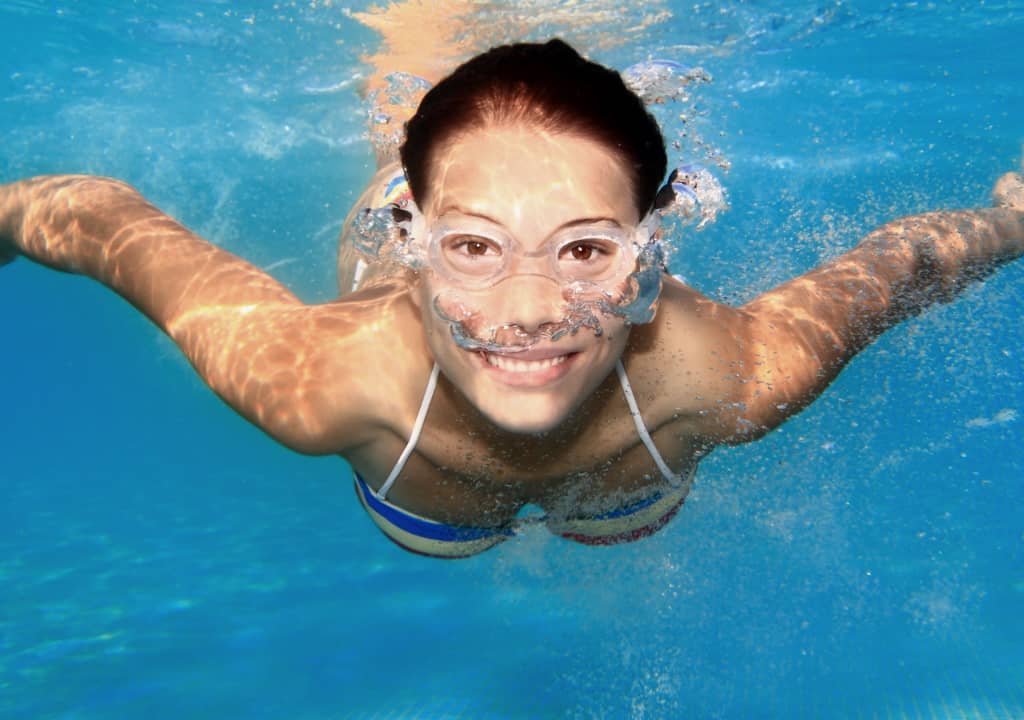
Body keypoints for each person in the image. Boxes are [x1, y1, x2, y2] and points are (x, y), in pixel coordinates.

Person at [2, 39, 1022, 559]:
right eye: (472, 246)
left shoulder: (729, 376)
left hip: (627, 460)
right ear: (410, 246)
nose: (529, 306)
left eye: (585, 248)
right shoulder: (320, 383)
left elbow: (908, 266)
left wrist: (1011, 223)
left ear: (646, 254)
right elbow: (98, 218)